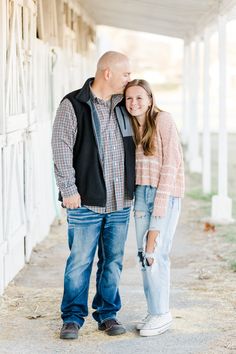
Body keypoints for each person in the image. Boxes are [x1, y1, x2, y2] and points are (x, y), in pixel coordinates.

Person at [51, 51, 135, 339]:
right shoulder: (73, 104)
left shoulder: (126, 105)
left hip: (120, 202)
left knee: (112, 261)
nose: (129, 79)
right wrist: (68, 190)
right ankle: (72, 318)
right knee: (80, 261)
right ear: (107, 73)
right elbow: (61, 149)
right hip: (85, 200)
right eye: (125, 74)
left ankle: (107, 314)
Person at [124, 79, 185, 337]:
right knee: (143, 256)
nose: (134, 103)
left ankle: (163, 314)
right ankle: (154, 309)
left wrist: (159, 206)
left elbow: (172, 163)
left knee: (155, 254)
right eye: (129, 98)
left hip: (165, 194)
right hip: (141, 194)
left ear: (150, 99)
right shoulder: (131, 125)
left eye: (139, 97)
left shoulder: (164, 120)